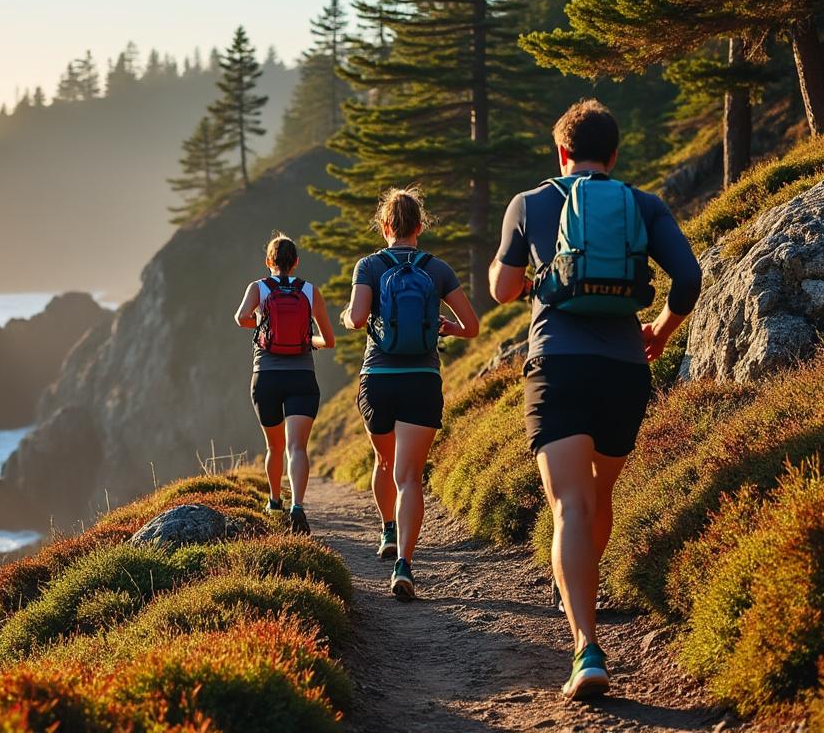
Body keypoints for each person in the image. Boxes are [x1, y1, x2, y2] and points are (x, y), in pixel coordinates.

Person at [489, 99, 702, 700]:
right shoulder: (642, 204)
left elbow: (502, 290)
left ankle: (585, 646)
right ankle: (586, 583)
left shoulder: (529, 203)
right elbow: (688, 279)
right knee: (597, 493)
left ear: (562, 152)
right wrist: (660, 333)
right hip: (624, 371)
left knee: (569, 507)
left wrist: (534, 274)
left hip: (557, 366)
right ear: (613, 155)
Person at [341, 187, 479, 600]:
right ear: (419, 226)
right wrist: (447, 328)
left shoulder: (369, 265)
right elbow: (472, 327)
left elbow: (357, 318)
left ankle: (387, 529)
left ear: (385, 226)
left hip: (378, 378)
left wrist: (347, 316)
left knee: (384, 461)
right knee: (410, 478)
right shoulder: (437, 269)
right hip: (422, 378)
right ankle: (404, 563)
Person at [234, 233, 335, 534]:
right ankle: (298, 506)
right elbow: (328, 340)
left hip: (266, 376)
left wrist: (264, 323)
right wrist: (307, 338)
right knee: (297, 447)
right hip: (302, 377)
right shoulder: (310, 291)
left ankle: (275, 501)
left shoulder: (258, 288)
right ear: (296, 262)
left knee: (274, 446)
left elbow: (240, 318)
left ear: (269, 261)